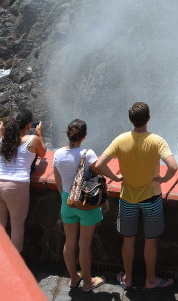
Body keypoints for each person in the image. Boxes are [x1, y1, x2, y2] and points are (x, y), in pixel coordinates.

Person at [92, 101, 177, 291]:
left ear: (131, 120)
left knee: (128, 240)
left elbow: (99, 164)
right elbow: (173, 166)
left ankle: (128, 278)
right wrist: (163, 179)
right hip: (152, 198)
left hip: (128, 198)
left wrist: (115, 177)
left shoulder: (121, 140)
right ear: (148, 118)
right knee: (150, 240)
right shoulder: (157, 141)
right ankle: (151, 280)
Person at [52, 119, 107, 291]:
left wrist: (65, 196)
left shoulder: (58, 154)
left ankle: (74, 278)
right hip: (85, 203)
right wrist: (104, 201)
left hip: (67, 201)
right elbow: (99, 178)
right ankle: (88, 283)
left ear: (68, 134)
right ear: (84, 136)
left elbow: (58, 181)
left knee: (69, 243)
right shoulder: (88, 154)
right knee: (84, 245)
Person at [0, 108, 46, 252]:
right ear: (28, 125)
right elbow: (43, 153)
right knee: (17, 227)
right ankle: (15, 265)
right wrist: (39, 133)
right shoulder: (33, 139)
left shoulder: (3, 140)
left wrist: (1, 133)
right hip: (16, 186)